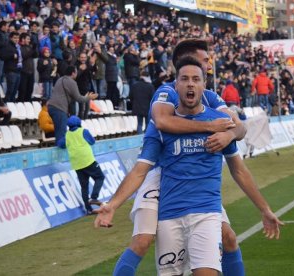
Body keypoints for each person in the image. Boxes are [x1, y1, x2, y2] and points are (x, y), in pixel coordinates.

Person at [95, 57, 282, 275]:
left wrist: (265, 209)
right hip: (169, 216)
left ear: (204, 85)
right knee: (144, 243)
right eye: (184, 79)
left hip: (206, 213)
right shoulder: (164, 125)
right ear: (176, 86)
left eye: (196, 79)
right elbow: (140, 170)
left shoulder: (221, 124)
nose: (190, 84)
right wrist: (113, 205)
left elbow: (239, 169)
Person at [58, 115, 105, 215]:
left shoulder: (67, 135)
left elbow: (60, 144)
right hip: (88, 160)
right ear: (79, 123)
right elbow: (92, 142)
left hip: (77, 164)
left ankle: (89, 209)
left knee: (84, 187)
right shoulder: (84, 131)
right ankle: (94, 198)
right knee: (100, 177)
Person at [47, 65, 98, 144]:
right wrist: (89, 97)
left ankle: (58, 148)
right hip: (59, 108)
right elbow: (79, 98)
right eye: (76, 72)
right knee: (61, 133)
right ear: (73, 73)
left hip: (51, 107)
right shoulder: (71, 82)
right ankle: (61, 153)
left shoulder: (60, 79)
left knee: (58, 130)